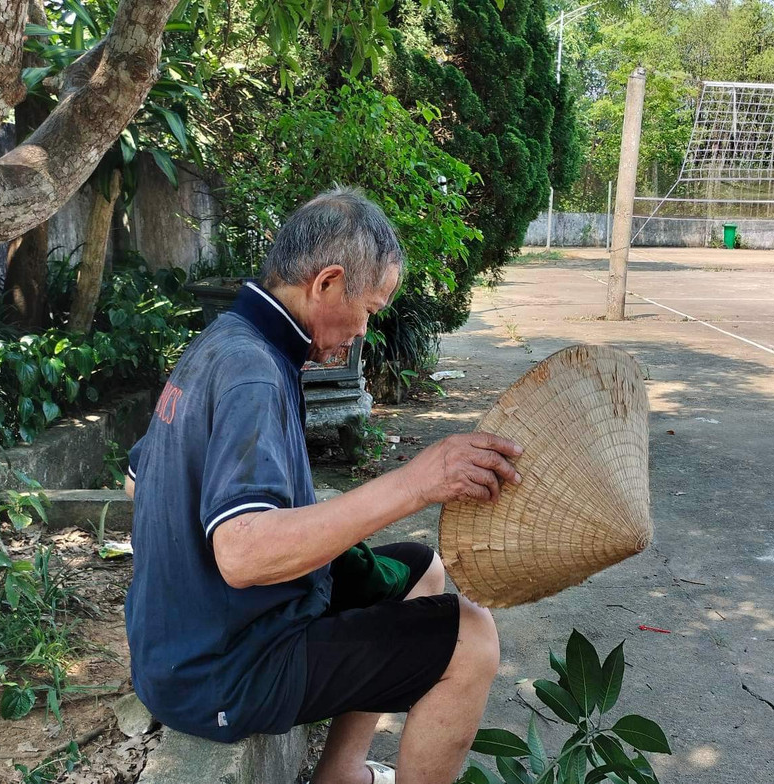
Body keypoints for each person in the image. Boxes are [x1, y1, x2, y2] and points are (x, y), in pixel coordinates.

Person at [122, 187, 522, 784]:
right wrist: (418, 482)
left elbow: (136, 480)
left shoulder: (225, 341)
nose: (363, 330)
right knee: (472, 640)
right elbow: (242, 553)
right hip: (222, 668)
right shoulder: (252, 373)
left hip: (181, 648)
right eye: (369, 309)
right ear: (327, 283)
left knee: (421, 569)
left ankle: (341, 773)